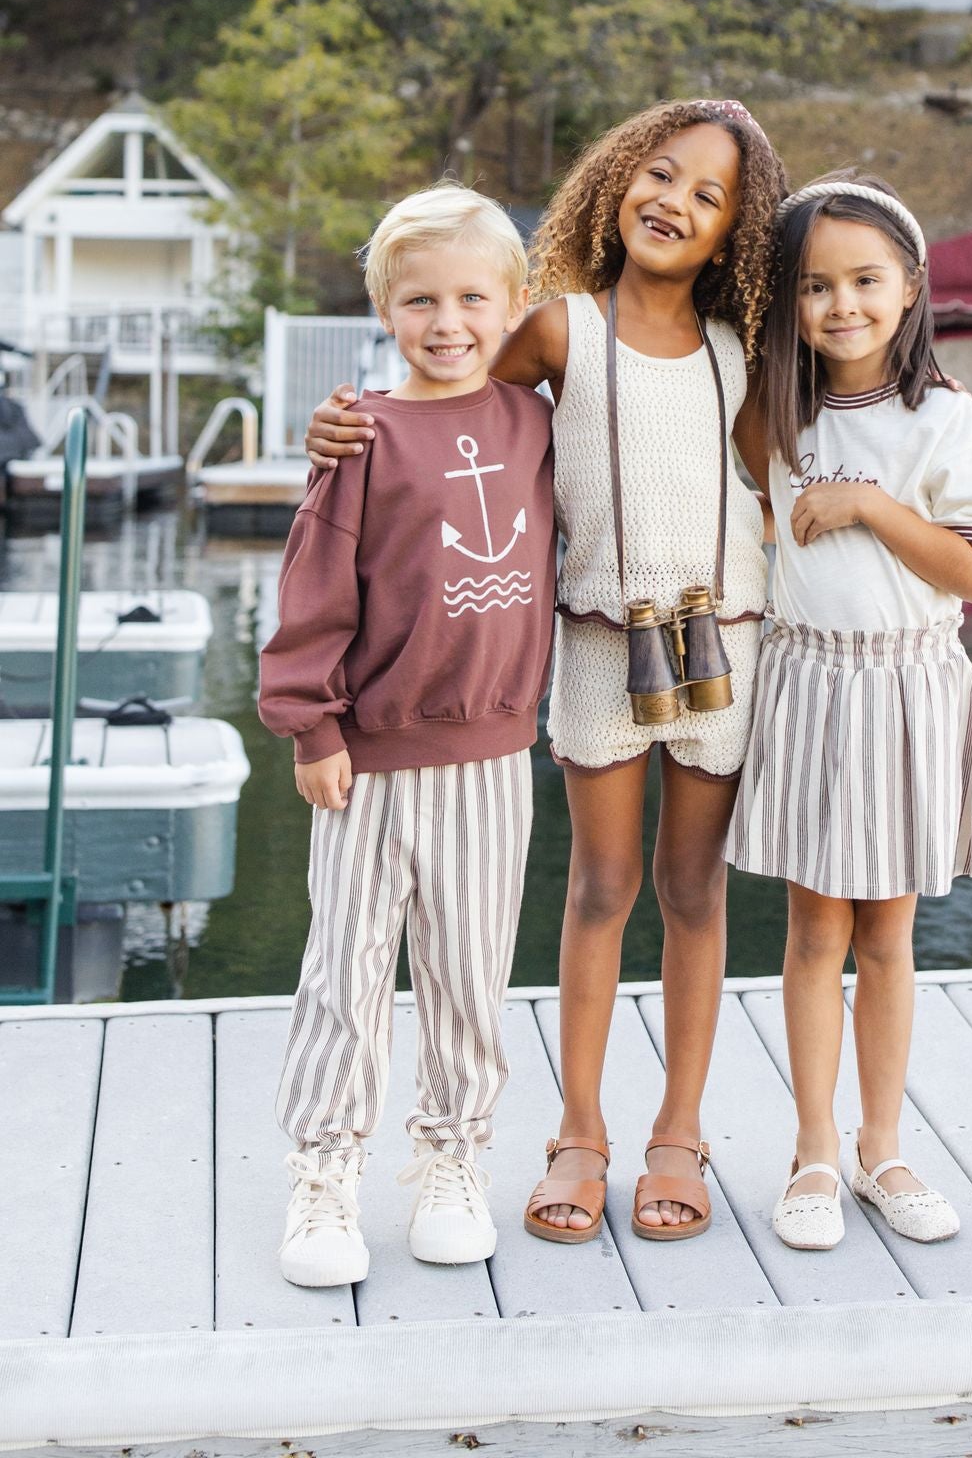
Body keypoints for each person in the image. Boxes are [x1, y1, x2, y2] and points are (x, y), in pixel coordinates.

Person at [304, 99, 787, 1243]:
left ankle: (679, 1131)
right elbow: (452, 415)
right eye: (659, 175)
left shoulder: (744, 353)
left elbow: (787, 471)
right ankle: (578, 1132)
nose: (674, 202)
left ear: (734, 234)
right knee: (598, 888)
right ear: (617, 181)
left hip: (722, 649)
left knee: (693, 892)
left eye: (707, 196)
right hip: (592, 646)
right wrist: (345, 427)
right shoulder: (557, 330)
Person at [258, 185, 556, 1285]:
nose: (447, 322)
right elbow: (315, 587)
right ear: (384, 307)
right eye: (419, 300)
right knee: (345, 969)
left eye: (473, 297)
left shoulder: (537, 425)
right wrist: (309, 722)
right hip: (371, 756)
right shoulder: (361, 436)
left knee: (470, 972)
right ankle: (325, 1170)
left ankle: (453, 1154)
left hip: (490, 755)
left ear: (514, 301)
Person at [725, 172, 972, 1252]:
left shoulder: (939, 416)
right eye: (813, 286)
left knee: (886, 932)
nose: (840, 304)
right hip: (809, 685)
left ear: (909, 285)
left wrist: (872, 507)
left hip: (902, 689)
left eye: (863, 280)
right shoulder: (771, 410)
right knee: (811, 930)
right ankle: (811, 1151)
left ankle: (882, 1145)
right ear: (785, 303)